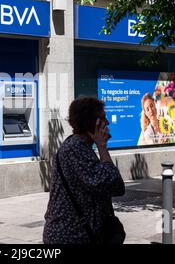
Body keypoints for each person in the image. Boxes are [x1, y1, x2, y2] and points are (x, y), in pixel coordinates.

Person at [43, 96, 125, 244]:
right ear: (90, 122)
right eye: (103, 118)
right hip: (71, 236)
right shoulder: (75, 149)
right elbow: (114, 185)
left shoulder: (79, 146)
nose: (107, 123)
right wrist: (102, 146)